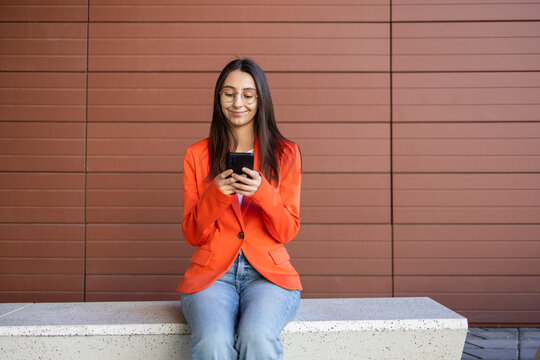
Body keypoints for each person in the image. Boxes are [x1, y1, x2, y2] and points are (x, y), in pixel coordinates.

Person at [177, 58, 303, 360]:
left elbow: (288, 229)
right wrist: (216, 194)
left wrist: (262, 192)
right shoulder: (196, 155)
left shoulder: (285, 154)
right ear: (219, 98)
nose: (238, 102)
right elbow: (192, 233)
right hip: (212, 275)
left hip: (268, 276)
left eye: (248, 94)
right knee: (212, 343)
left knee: (257, 337)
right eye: (229, 93)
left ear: (261, 100)